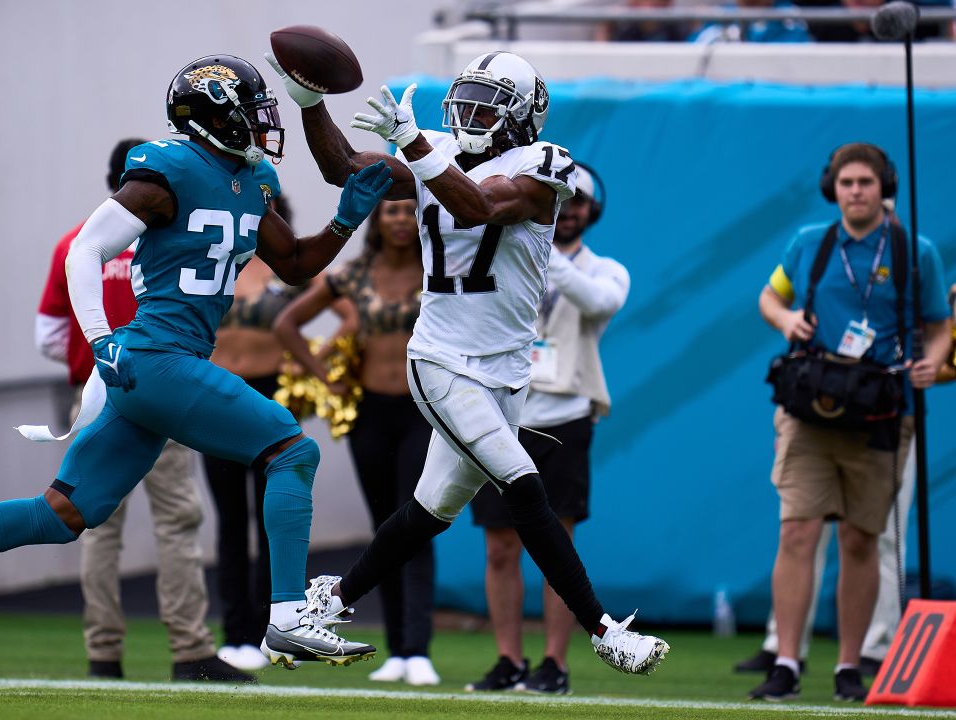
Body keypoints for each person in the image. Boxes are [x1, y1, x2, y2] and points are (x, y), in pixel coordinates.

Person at [0, 55, 393, 668]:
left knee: (64, 512)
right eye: (253, 112)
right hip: (154, 356)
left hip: (164, 366)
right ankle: (287, 617)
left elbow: (294, 265)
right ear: (215, 115)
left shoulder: (253, 181)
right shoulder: (168, 168)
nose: (264, 125)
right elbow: (85, 250)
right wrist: (101, 338)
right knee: (292, 449)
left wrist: (344, 220)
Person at [264, 50, 669, 675]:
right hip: (441, 359)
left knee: (429, 513)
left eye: (486, 103)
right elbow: (346, 168)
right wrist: (312, 105)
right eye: (466, 98)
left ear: (520, 116)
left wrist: (419, 146)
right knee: (523, 483)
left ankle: (325, 603)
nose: (468, 112)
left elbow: (478, 206)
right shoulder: (438, 151)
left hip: (507, 374)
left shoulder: (543, 163)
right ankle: (605, 630)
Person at [35, 138, 249, 682]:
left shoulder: (74, 242)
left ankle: (103, 652)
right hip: (165, 385)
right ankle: (191, 649)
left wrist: (94, 352)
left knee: (90, 519)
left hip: (98, 386)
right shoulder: (173, 235)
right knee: (178, 519)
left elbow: (48, 335)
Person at [750, 142, 951, 702]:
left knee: (862, 540)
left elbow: (938, 324)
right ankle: (786, 661)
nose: (856, 191)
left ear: (884, 186)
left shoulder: (918, 253)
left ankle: (848, 665)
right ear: (831, 188)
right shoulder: (810, 243)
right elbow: (769, 296)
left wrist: (933, 361)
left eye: (865, 182)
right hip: (810, 407)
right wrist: (786, 318)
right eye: (846, 183)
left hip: (882, 412)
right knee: (797, 530)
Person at [464, 164, 630, 694]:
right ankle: (508, 659)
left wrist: (535, 237)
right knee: (499, 547)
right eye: (562, 198)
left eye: (578, 201)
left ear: (592, 209)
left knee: (558, 546)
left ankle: (554, 664)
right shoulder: (508, 256)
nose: (570, 209)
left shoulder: (606, 269)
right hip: (501, 413)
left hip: (563, 417)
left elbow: (597, 301)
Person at [273, 198, 440, 685]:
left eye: (410, 211)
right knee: (385, 527)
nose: (401, 219)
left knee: (418, 520)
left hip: (423, 411)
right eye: (390, 211)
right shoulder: (353, 274)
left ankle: (420, 649)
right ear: (378, 221)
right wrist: (325, 377)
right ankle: (396, 650)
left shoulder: (437, 270)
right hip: (370, 415)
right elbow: (287, 323)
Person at [204, 195, 355, 671]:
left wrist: (317, 361)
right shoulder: (216, 261)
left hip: (271, 398)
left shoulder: (291, 269)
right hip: (217, 396)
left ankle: (277, 625)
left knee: (274, 519)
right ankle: (236, 632)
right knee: (231, 519)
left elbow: (350, 311)